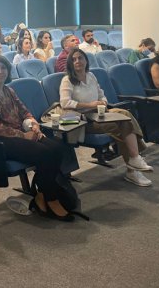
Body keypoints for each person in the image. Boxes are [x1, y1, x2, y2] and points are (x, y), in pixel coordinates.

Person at [0, 55, 72, 221]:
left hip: (20, 134)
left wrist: (34, 124)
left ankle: (41, 195)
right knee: (44, 154)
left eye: (3, 68)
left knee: (57, 148)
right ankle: (51, 199)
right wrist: (23, 135)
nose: (0, 71)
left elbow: (24, 111)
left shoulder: (9, 91)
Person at [60, 48, 153, 187]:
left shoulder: (91, 76)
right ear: (70, 63)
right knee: (122, 125)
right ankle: (134, 164)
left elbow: (101, 95)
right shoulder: (67, 80)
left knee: (125, 115)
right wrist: (89, 104)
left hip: (99, 113)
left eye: (80, 58)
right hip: (84, 120)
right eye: (73, 59)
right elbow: (65, 103)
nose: (77, 61)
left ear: (86, 60)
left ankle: (134, 162)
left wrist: (103, 102)